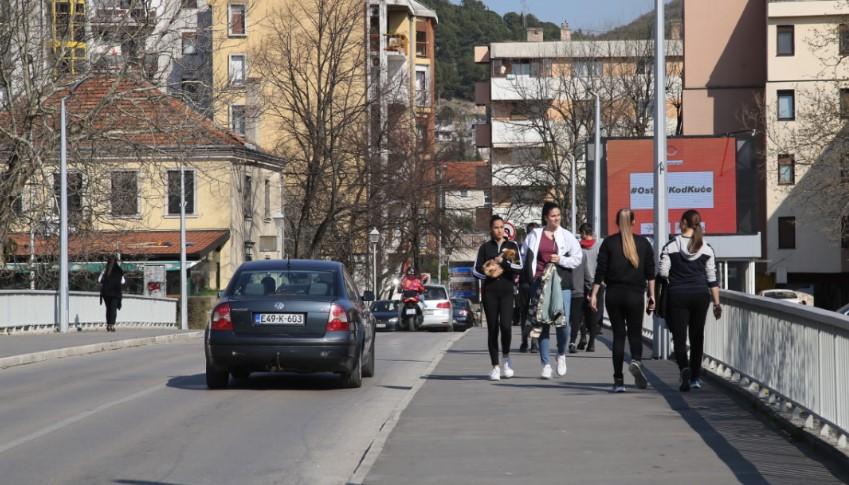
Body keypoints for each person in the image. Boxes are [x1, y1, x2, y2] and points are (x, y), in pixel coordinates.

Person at [590, 209, 656, 392]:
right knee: (635, 335)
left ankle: (618, 381)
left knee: (619, 336)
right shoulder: (644, 244)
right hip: (635, 295)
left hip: (614, 294)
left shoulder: (608, 243)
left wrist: (594, 294)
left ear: (616, 222)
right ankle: (635, 361)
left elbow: (600, 271)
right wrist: (652, 296)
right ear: (634, 222)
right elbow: (651, 273)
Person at [659, 209, 722, 392]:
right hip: (700, 296)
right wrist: (717, 303)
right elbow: (712, 279)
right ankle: (695, 377)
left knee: (679, 338)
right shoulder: (707, 248)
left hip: (678, 295)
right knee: (697, 337)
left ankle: (683, 368)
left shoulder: (670, 246)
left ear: (683, 223)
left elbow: (663, 272)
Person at [524, 202, 583, 379]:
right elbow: (523, 255)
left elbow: (577, 258)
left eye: (558, 215)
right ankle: (545, 364)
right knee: (543, 324)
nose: (556, 218)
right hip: (540, 282)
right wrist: (529, 276)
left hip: (561, 282)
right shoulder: (534, 235)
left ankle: (561, 354)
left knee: (563, 323)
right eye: (553, 215)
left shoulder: (566, 235)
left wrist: (561, 260)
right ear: (545, 217)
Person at [473, 215, 523, 381]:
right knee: (493, 329)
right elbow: (475, 270)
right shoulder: (485, 247)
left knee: (506, 326)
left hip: (508, 291)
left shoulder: (512, 246)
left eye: (502, 227)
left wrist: (504, 263)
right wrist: (489, 268)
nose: (499, 230)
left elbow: (519, 267)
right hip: (490, 292)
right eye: (496, 227)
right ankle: (495, 366)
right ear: (491, 229)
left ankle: (507, 360)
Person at [579, 223, 603, 352]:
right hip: (597, 284)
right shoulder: (599, 246)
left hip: (581, 284)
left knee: (581, 313)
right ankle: (592, 342)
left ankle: (583, 337)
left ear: (583, 233)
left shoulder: (578, 247)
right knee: (593, 314)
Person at [517, 222, 540, 353]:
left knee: (530, 314)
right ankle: (528, 342)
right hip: (526, 284)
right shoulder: (523, 248)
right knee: (528, 314)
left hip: (530, 284)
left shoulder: (523, 248)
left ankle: (531, 342)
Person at [568, 237, 591, 353]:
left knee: (569, 318)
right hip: (579, 291)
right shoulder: (582, 256)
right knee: (577, 317)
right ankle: (574, 340)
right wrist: (591, 289)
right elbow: (587, 275)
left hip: (565, 291)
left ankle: (571, 340)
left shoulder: (563, 256)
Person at [99, 255, 125, 332]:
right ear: (116, 261)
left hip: (106, 293)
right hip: (116, 293)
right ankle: (112, 325)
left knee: (108, 308)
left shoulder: (105, 270)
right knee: (113, 309)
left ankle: (108, 324)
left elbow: (99, 279)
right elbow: (123, 282)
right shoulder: (119, 270)